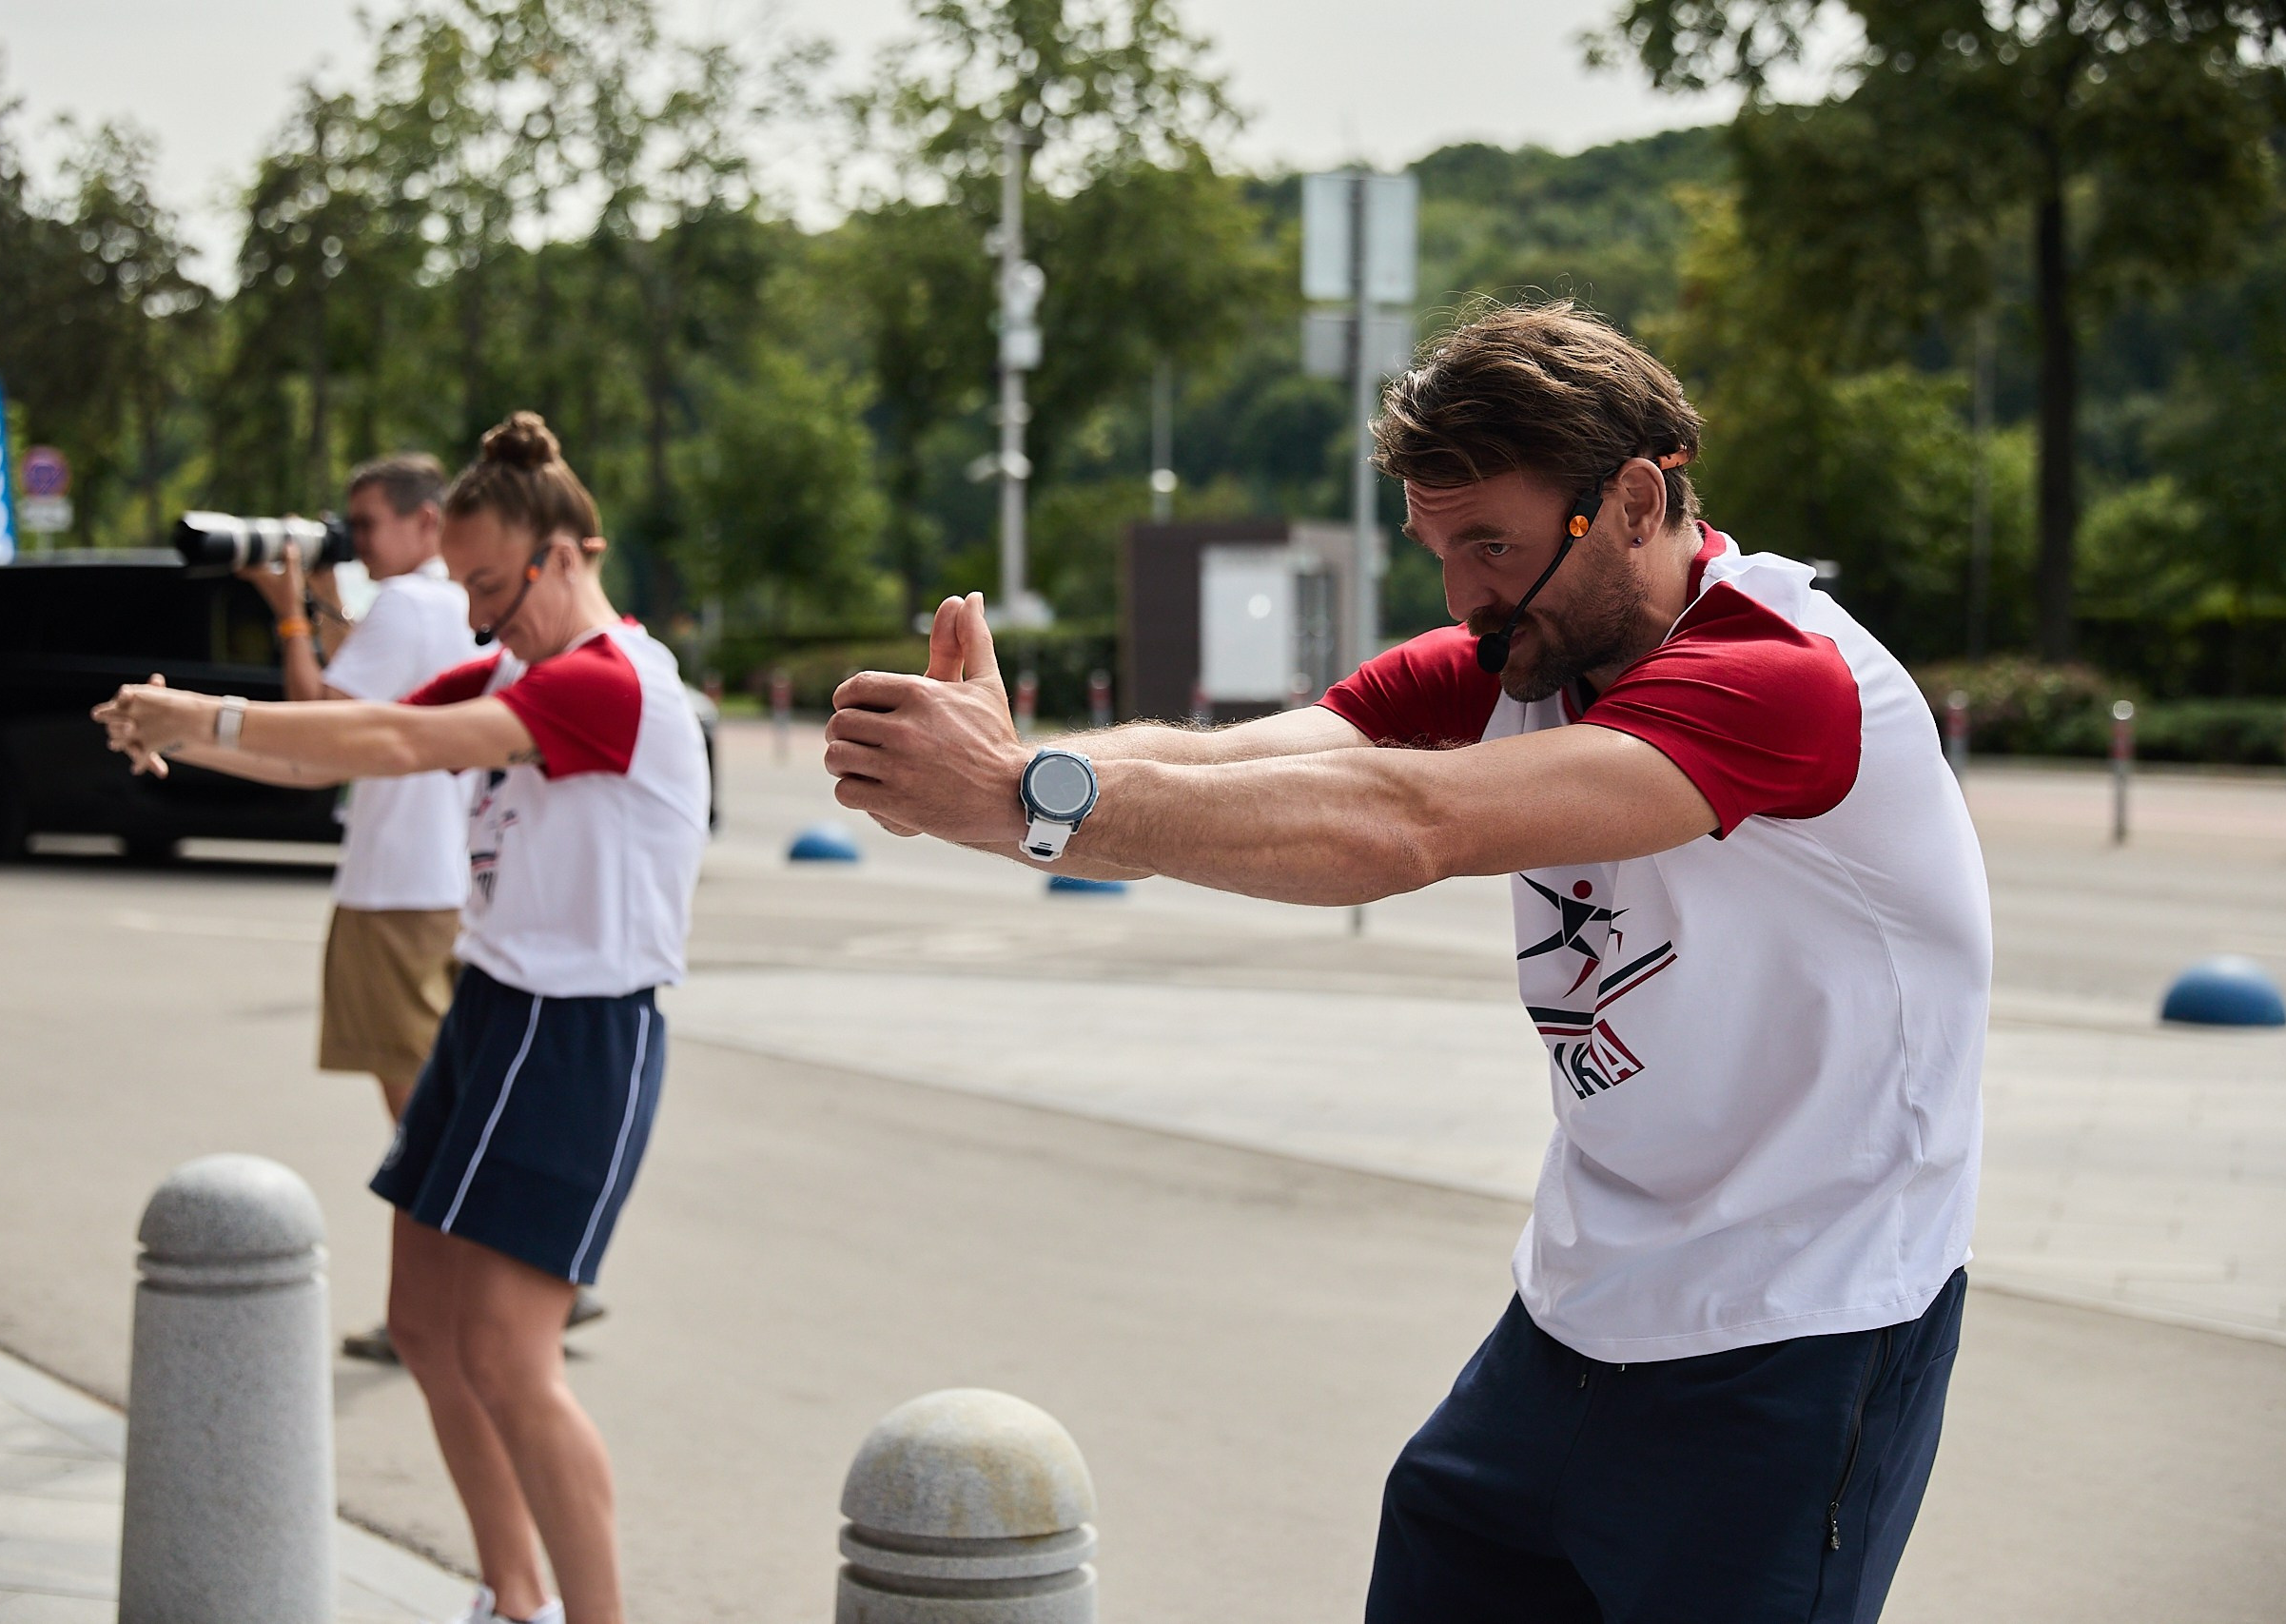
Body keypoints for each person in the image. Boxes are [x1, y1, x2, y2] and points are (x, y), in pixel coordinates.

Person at [822, 302, 1990, 1624]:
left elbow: (1407, 823)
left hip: (1800, 1325)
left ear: (1635, 498)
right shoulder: (1528, 651)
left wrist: (1028, 797)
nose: (1466, 597)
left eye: (1491, 541)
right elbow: (1255, 763)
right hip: (1580, 1310)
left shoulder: (1782, 679)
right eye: (1439, 551)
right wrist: (1030, 774)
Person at [97, 411, 708, 1624]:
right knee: (428, 1333)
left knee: (509, 1360)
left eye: (495, 588)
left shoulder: (612, 682)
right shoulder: (518, 664)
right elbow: (334, 757)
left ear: (570, 551)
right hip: (493, 1004)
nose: (482, 619)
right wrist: (183, 723)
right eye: (469, 591)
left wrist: (207, 722)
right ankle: (513, 1598)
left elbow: (394, 733)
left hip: (579, 1031)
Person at [235, 455, 493, 1364]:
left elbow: (318, 729)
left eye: (369, 523)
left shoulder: (412, 606)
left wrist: (290, 610)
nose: (358, 539)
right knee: (440, 1095)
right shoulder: (451, 603)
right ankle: (509, 1280)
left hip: (395, 885)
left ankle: (456, 1297)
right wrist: (330, 597)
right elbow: (375, 680)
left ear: (428, 523)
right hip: (448, 877)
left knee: (418, 1109)